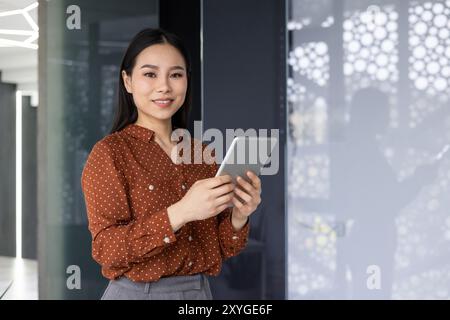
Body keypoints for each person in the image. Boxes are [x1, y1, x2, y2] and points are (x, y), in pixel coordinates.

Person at [80, 28, 262, 300]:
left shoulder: (201, 153)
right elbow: (106, 249)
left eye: (176, 74)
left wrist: (240, 215)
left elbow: (222, 248)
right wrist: (181, 212)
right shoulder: (110, 153)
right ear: (127, 81)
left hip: (199, 293)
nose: (164, 86)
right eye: (150, 74)